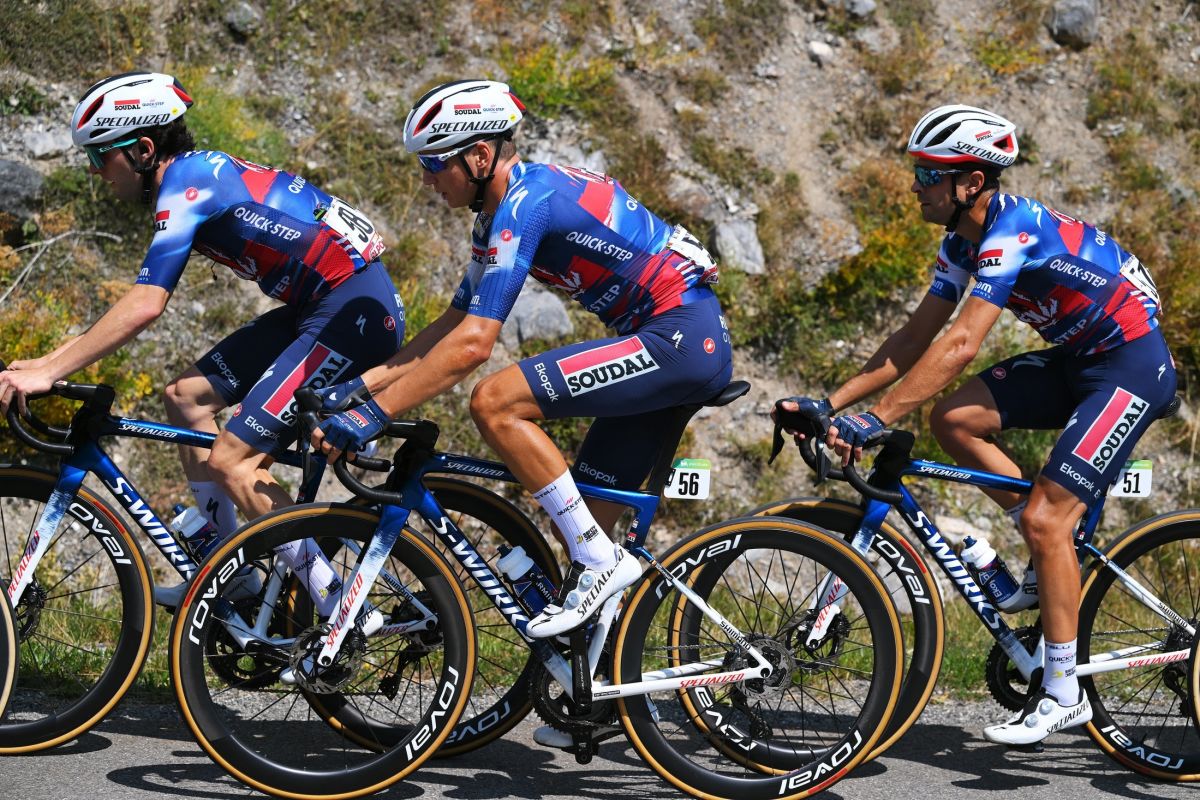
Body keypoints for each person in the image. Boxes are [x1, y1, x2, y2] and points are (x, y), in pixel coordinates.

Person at [308, 78, 732, 742]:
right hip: (668, 338)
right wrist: (358, 390)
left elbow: (474, 346)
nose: (426, 180)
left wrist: (370, 417)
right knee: (583, 525)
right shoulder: (501, 211)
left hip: (678, 339)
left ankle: (599, 562)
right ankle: (594, 696)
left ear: (479, 156)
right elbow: (453, 323)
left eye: (434, 164)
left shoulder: (525, 205)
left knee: (495, 401)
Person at [779, 104, 1174, 746]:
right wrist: (832, 403)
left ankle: (1063, 692)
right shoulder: (961, 242)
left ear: (971, 181)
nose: (915, 186)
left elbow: (962, 344)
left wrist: (875, 420)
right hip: (1080, 360)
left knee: (1046, 519)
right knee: (955, 418)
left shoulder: (1010, 233)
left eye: (927, 175)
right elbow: (915, 339)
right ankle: (1048, 552)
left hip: (1131, 365)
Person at [0, 72, 405, 611]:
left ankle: (337, 605)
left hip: (351, 312)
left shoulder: (185, 188)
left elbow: (146, 303)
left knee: (233, 462)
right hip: (326, 304)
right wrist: (47, 361)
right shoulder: (192, 174)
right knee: (186, 397)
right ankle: (230, 575)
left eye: (100, 156)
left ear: (144, 150)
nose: (95, 171)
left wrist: (50, 372)